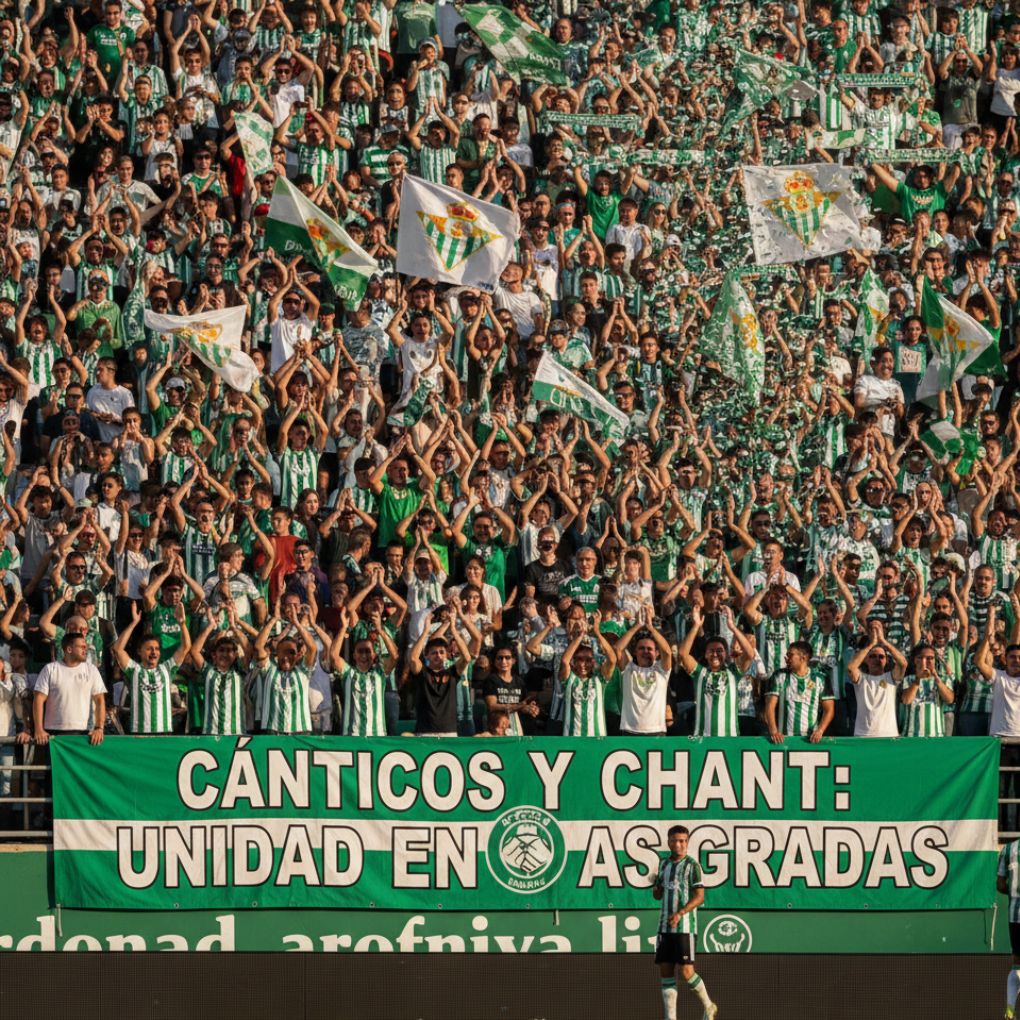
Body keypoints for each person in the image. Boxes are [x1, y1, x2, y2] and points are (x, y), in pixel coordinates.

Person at [653, 824, 717, 1020]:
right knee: (665, 970)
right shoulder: (663, 864)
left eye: (683, 841)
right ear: (669, 842)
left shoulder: (692, 866)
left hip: (685, 926)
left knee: (687, 971)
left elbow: (700, 896)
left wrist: (681, 913)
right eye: (675, 840)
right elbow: (657, 894)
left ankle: (708, 1006)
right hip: (664, 926)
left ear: (687, 843)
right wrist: (657, 887)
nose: (679, 844)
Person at [999, 836, 1020, 1020]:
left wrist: (1014, 895)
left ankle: (1010, 1009)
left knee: (1017, 963)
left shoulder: (1008, 849)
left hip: (1015, 915)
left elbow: (999, 884)